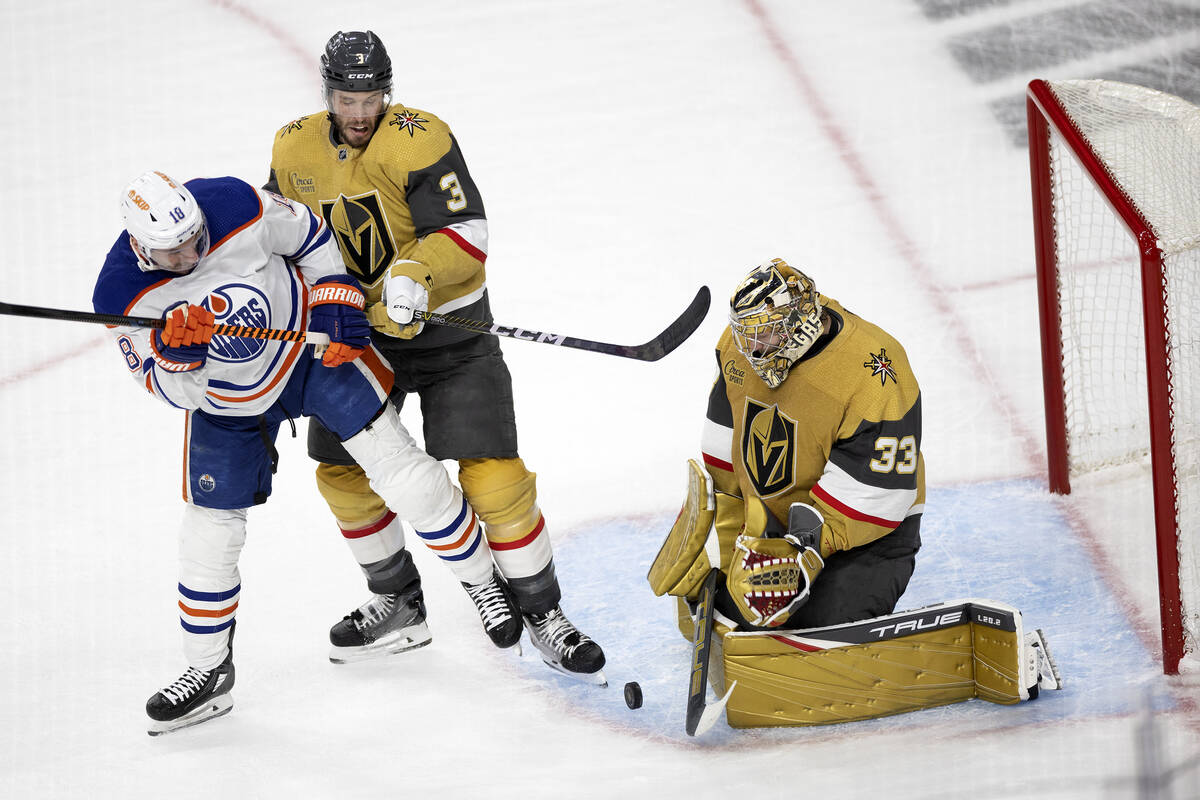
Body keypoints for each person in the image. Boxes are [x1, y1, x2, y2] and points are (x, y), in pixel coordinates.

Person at [93, 170, 485, 734]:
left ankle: (483, 583)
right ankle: (207, 673)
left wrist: (333, 297)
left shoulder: (231, 202)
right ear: (141, 247)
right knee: (209, 534)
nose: (189, 254)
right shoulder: (120, 294)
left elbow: (310, 237)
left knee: (402, 472)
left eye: (195, 240)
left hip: (308, 352)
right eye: (173, 253)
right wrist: (181, 360)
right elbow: (162, 386)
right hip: (228, 404)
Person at [265, 30, 604, 680]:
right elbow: (275, 234)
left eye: (370, 97)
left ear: (387, 92)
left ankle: (542, 613)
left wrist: (415, 271)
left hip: (452, 334)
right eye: (345, 97)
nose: (359, 113)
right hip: (357, 338)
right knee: (341, 475)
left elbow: (467, 229)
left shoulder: (421, 137)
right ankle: (399, 603)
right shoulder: (293, 145)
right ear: (326, 93)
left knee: (494, 477)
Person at [648, 258, 1059, 728]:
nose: (751, 347)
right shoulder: (740, 350)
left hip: (868, 533)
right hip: (771, 523)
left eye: (765, 335)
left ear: (801, 322)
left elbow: (875, 495)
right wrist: (726, 529)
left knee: (817, 631)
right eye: (746, 333)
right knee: (743, 612)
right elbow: (727, 435)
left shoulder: (876, 372)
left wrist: (801, 554)